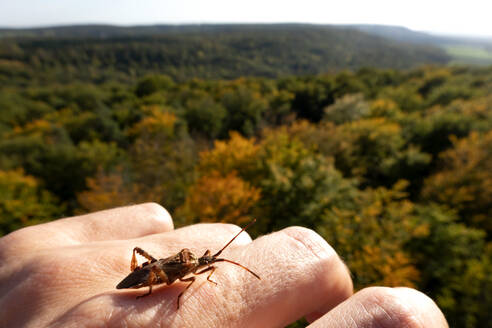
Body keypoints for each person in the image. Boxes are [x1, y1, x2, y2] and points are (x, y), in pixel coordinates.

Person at [0, 203, 448, 327]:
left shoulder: (202, 266)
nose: (211, 262)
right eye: (209, 260)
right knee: (156, 270)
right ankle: (153, 283)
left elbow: (204, 270)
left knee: (162, 268)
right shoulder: (186, 269)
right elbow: (188, 275)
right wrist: (168, 295)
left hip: (156, 274)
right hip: (149, 278)